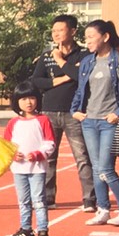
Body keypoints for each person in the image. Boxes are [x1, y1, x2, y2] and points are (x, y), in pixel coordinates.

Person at [28, 14, 92, 211]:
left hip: (74, 113)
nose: (56, 34)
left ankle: (89, 199)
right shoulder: (47, 56)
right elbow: (36, 81)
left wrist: (61, 62)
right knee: (48, 157)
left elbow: (81, 76)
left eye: (60, 30)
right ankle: (48, 198)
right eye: (53, 31)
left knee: (82, 157)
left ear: (73, 31)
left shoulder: (84, 55)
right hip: (49, 112)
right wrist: (62, 79)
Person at [69, 19, 119, 226]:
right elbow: (81, 89)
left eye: (91, 37)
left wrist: (118, 113)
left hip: (109, 121)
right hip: (89, 121)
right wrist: (75, 110)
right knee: (96, 168)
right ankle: (103, 210)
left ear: (106, 37)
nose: (88, 41)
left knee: (106, 168)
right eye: (86, 38)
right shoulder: (87, 61)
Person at [4, 83, 56, 236]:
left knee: (39, 200)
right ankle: (26, 229)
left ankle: (42, 231)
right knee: (23, 200)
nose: (28, 102)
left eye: (32, 98)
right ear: (16, 101)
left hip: (37, 169)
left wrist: (37, 154)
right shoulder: (13, 123)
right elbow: (6, 145)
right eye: (24, 99)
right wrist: (13, 154)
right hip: (19, 169)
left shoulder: (43, 120)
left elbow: (50, 143)